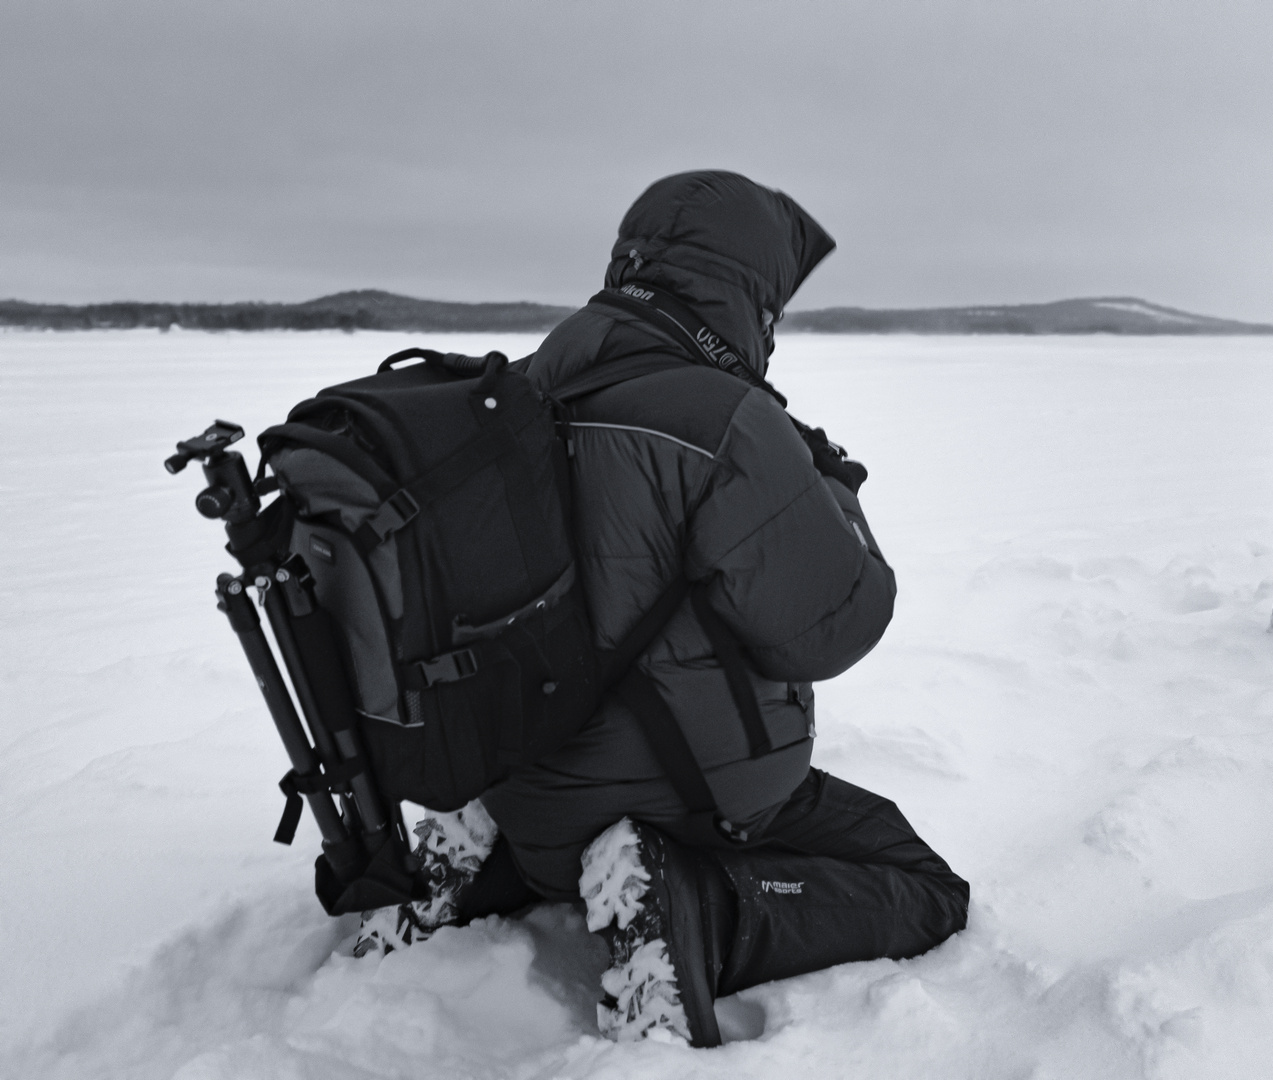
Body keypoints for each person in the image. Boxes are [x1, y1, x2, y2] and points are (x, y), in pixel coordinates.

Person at [351, 171, 969, 1047]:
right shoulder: (727, 421)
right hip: (692, 794)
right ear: (741, 295)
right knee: (925, 885)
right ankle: (693, 903)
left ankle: (489, 862)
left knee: (580, 780)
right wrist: (834, 491)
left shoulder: (515, 397)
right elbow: (836, 625)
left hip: (523, 785)